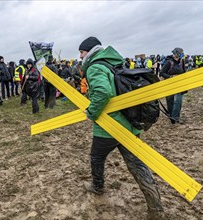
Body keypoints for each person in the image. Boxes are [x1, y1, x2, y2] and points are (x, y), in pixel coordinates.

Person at [78, 37, 164, 219]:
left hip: (109, 127)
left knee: (96, 157)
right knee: (136, 164)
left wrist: (92, 113)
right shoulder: (114, 63)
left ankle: (97, 186)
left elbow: (103, 92)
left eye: (82, 52)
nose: (80, 56)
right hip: (130, 123)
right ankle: (155, 207)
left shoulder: (95, 67)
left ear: (89, 51)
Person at [160, 47, 186, 124]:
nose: (182, 55)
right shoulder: (169, 62)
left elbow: (184, 72)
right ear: (176, 53)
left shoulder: (182, 62)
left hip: (179, 85)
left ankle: (175, 117)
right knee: (170, 101)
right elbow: (161, 73)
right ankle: (171, 116)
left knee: (178, 101)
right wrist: (171, 77)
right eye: (181, 53)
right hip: (169, 84)